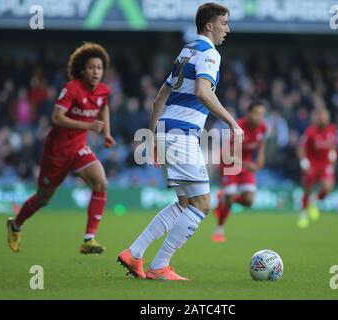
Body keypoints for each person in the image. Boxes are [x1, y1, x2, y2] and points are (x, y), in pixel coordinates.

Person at [117, 2, 243, 280]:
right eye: (224, 24)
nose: (228, 30)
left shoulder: (186, 52)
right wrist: (232, 122)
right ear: (209, 25)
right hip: (182, 134)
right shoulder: (210, 53)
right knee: (202, 204)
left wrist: (152, 137)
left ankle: (134, 253)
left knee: (185, 203)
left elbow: (159, 98)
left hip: (165, 130)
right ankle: (159, 266)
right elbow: (202, 91)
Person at [6, 42, 116, 254]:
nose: (96, 72)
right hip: (56, 153)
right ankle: (15, 224)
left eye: (100, 68)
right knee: (42, 199)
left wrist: (107, 133)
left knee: (101, 183)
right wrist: (88, 125)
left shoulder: (103, 90)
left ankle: (89, 239)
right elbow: (56, 118)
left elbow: (104, 107)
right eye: (92, 67)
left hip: (78, 149)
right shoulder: (71, 88)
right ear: (82, 69)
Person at [213, 101, 267, 242]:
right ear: (248, 114)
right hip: (229, 163)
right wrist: (246, 164)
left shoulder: (262, 127)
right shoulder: (238, 127)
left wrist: (260, 159)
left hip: (246, 164)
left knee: (249, 201)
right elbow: (228, 152)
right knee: (230, 200)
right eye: (256, 113)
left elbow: (261, 145)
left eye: (262, 114)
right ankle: (219, 229)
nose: (259, 117)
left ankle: (223, 198)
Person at [297, 108, 338, 228]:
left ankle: (313, 201)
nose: (325, 121)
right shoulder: (310, 132)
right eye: (322, 118)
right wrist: (304, 162)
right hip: (312, 163)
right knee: (308, 188)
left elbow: (333, 144)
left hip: (325, 163)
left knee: (328, 187)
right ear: (318, 119)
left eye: (327, 118)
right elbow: (301, 147)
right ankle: (303, 213)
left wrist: (333, 153)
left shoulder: (332, 130)